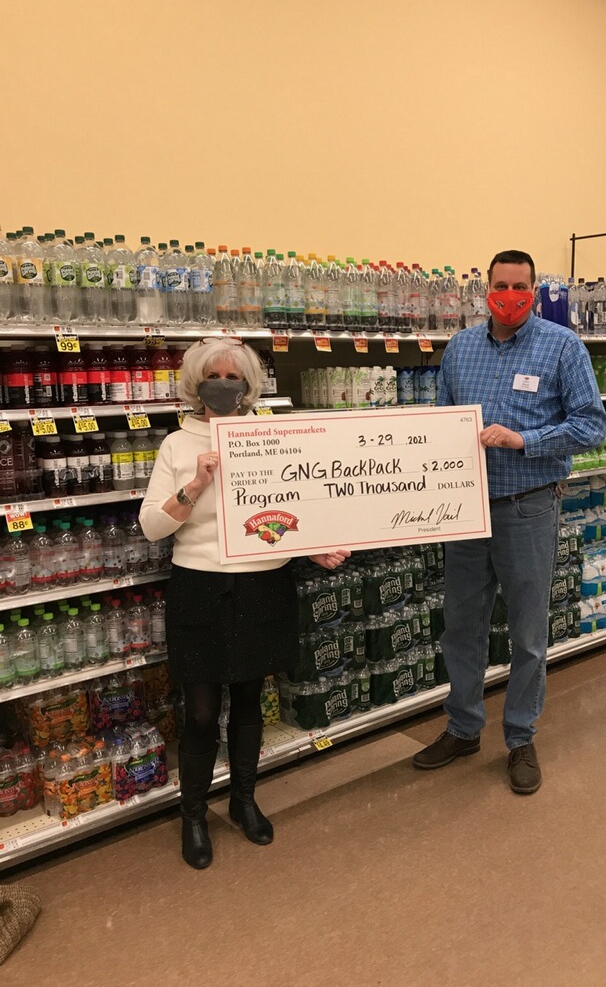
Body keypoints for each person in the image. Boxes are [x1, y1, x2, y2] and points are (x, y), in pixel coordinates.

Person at [140, 336, 349, 869]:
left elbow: (298, 505)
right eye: (216, 376)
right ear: (196, 383)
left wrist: (317, 546)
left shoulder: (272, 438)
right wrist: (194, 486)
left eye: (236, 378)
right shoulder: (176, 446)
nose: (225, 386)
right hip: (201, 585)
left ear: (249, 385)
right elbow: (151, 528)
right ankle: (192, 815)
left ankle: (243, 801)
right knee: (203, 709)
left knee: (251, 700)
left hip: (262, 584)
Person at [412, 251, 606, 793]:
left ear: (535, 288)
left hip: (528, 505)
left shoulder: (562, 346)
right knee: (461, 627)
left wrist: (526, 441)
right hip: (466, 511)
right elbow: (443, 423)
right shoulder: (460, 347)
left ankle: (520, 738)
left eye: (521, 286)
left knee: (526, 633)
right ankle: (463, 727)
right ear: (486, 289)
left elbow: (592, 426)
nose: (510, 294)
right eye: (501, 285)